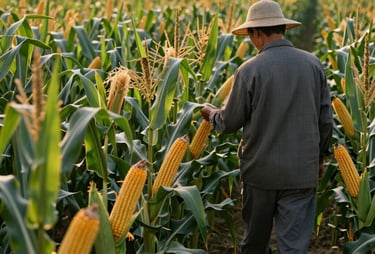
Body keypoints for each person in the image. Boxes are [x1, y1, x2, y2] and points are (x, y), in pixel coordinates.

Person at [200, 0, 333, 253]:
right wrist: (320, 156)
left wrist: (211, 114)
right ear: (282, 28)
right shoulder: (313, 65)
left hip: (260, 173)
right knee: (294, 246)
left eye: (250, 36)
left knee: (255, 243)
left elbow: (229, 122)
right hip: (301, 172)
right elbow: (325, 119)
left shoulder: (249, 70)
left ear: (257, 33)